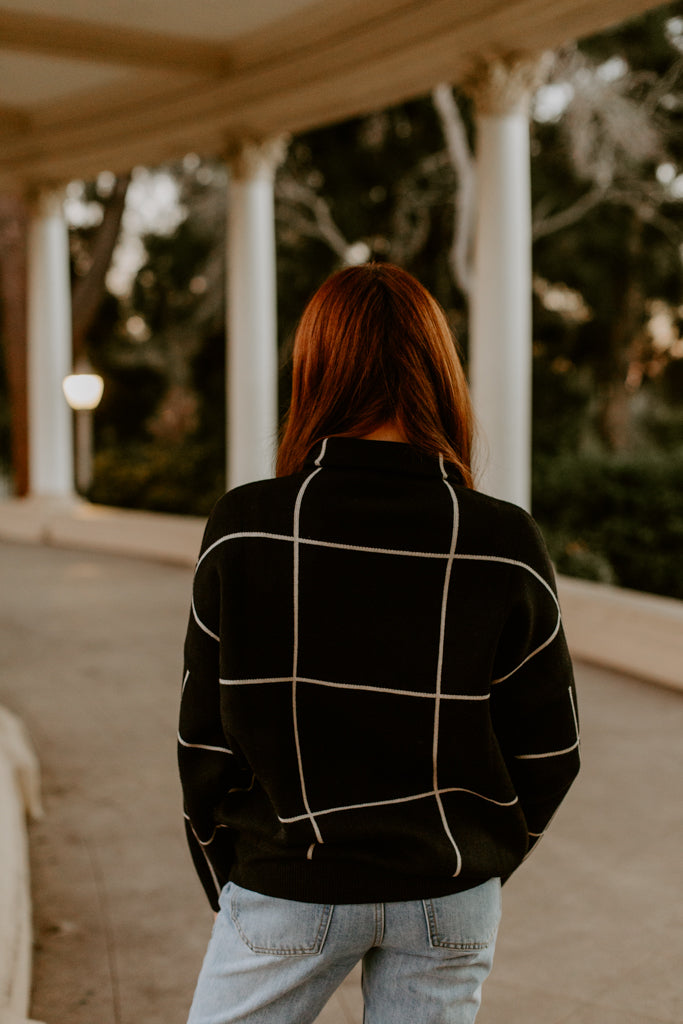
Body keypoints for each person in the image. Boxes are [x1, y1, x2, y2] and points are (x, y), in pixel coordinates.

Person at [178, 262, 580, 1024]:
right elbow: (550, 751)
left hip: (288, 877)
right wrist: (472, 861)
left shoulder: (247, 527)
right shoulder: (501, 539)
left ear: (316, 370)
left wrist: (239, 874)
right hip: (448, 892)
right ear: (439, 371)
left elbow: (203, 744)